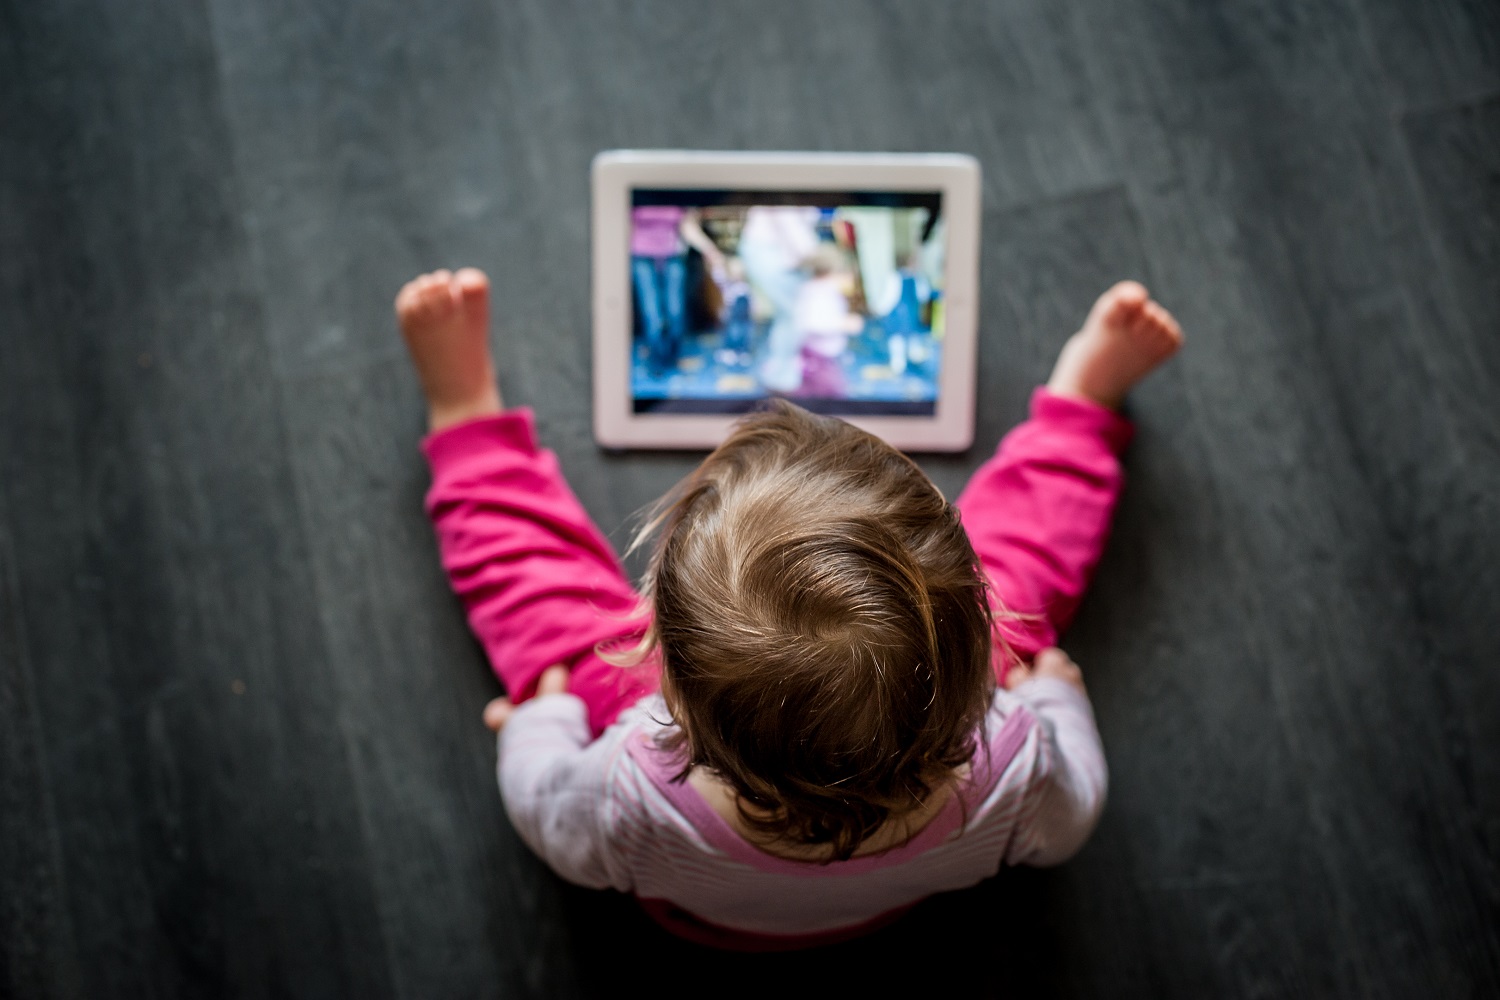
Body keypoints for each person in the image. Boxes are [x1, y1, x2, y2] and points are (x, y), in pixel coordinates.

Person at [394, 267, 1184, 950]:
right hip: (891, 913)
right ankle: (1080, 411)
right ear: (982, 644)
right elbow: (1074, 814)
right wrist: (1054, 696)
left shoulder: (625, 792)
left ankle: (467, 416)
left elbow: (544, 811)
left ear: (663, 679)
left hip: (710, 924)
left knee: (546, 613)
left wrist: (542, 723)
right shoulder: (1017, 767)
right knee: (1027, 560)